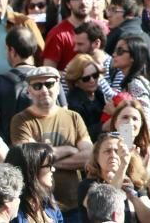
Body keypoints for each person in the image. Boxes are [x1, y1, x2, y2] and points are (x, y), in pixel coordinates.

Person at [10, 66, 93, 222]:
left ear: (58, 86)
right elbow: (29, 160)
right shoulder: (20, 120)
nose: (44, 90)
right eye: (37, 86)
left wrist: (45, 163)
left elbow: (88, 156)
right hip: (39, 207)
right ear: (29, 90)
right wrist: (69, 149)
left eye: (49, 84)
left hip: (73, 204)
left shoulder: (73, 117)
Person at [77, 133, 150, 223]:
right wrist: (123, 165)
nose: (113, 155)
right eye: (108, 151)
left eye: (117, 151)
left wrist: (132, 196)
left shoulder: (133, 183)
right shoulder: (88, 185)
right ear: (97, 157)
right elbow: (105, 207)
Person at [4, 142, 63, 223]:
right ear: (31, 170)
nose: (53, 169)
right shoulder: (9, 207)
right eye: (48, 165)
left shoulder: (48, 199)